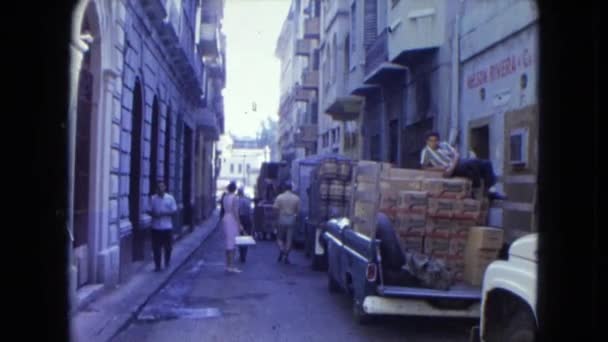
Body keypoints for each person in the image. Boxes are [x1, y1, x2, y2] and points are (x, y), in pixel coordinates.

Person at [420, 131, 507, 201]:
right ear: (427, 141)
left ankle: (491, 190)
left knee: (486, 163)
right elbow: (424, 167)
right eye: (431, 140)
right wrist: (441, 169)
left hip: (456, 163)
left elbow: (456, 154)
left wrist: (452, 166)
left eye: (436, 140)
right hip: (449, 169)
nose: (434, 143)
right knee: (473, 163)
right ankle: (476, 188)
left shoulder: (444, 145)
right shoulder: (426, 152)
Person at [148, 180, 178, 272]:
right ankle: (157, 266)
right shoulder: (153, 199)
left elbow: (174, 211)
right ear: (156, 189)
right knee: (156, 247)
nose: (160, 189)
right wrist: (153, 214)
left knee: (168, 247)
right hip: (156, 227)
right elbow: (149, 210)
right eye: (158, 187)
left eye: (162, 187)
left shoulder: (170, 198)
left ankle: (167, 261)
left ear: (165, 188)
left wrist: (164, 213)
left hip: (167, 227)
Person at [273, 182, 300, 264]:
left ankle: (281, 249)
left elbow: (275, 209)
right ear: (291, 188)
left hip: (281, 219)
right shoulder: (296, 198)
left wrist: (276, 219)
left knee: (279, 238)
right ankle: (286, 255)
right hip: (291, 220)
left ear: (284, 188)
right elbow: (297, 211)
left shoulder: (279, 197)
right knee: (289, 240)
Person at [221, 182, 245, 273]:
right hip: (232, 220)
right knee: (232, 243)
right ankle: (231, 266)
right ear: (235, 189)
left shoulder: (225, 197)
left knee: (228, 243)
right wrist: (239, 224)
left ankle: (227, 265)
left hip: (226, 218)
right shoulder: (235, 198)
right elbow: (235, 212)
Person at [237, 188, 253, 263]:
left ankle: (241, 255)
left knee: (240, 237)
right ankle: (244, 255)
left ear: (238, 193)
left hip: (241, 219)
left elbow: (237, 211)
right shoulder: (248, 200)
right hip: (248, 219)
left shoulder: (238, 201)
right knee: (246, 237)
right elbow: (250, 211)